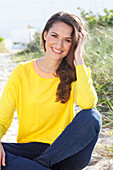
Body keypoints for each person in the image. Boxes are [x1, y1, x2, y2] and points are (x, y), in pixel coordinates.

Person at [0, 11, 102, 170]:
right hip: (30, 149)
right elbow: (2, 120)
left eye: (67, 40)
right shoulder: (21, 72)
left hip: (65, 151)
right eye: (55, 36)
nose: (59, 45)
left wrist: (79, 61)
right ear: (45, 35)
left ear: (73, 44)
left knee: (93, 116)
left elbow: (88, 103)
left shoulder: (75, 73)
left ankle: (38, 166)